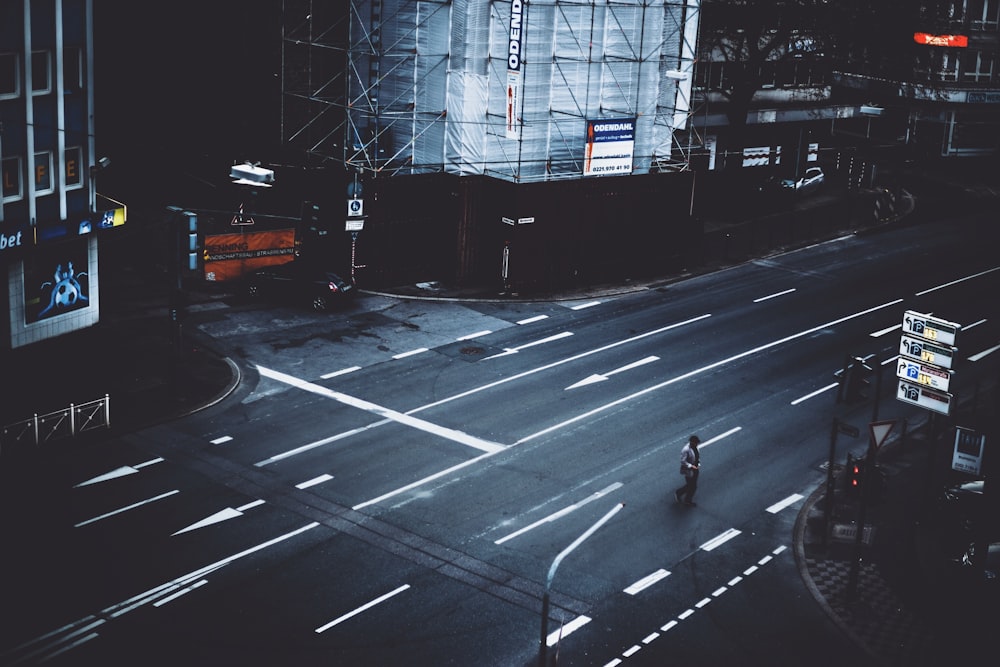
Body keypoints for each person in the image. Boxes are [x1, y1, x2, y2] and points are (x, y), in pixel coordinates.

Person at [675, 435, 701, 506]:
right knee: (692, 486)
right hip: (689, 470)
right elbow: (683, 461)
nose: (697, 444)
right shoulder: (686, 450)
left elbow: (697, 456)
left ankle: (681, 494)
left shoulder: (696, 447)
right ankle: (686, 498)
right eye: (696, 443)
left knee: (691, 485)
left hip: (695, 468)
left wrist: (698, 463)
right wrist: (691, 466)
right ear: (692, 442)